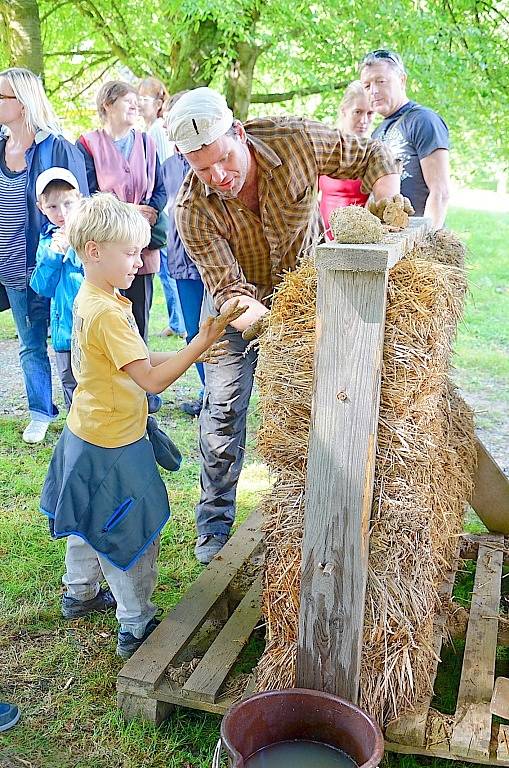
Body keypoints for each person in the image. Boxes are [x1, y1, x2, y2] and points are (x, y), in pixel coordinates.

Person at [166, 87, 400, 563]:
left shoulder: (292, 139)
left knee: (330, 402)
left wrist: (388, 199)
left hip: (312, 289)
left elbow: (371, 154)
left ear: (238, 133)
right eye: (202, 168)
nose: (219, 176)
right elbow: (230, 291)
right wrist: (278, 333)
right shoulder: (191, 210)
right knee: (224, 411)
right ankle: (213, 527)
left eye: (224, 160)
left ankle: (323, 511)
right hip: (240, 311)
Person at [39, 193, 245, 659]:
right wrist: (200, 344)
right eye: (131, 252)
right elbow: (151, 379)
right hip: (115, 446)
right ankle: (135, 622)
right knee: (133, 534)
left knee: (83, 517)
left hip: (86, 434)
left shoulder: (97, 297)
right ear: (94, 250)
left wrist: (191, 349)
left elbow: (136, 362)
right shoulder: (108, 313)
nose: (140, 260)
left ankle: (80, 591)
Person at [0, 67, 88, 444]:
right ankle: (39, 411)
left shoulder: (57, 146)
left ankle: (85, 408)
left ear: (21, 103)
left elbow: (83, 206)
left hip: (58, 263)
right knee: (30, 342)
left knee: (73, 340)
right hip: (11, 264)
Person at [76, 80, 166, 343]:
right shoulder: (87, 144)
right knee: (106, 320)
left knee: (139, 322)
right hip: (106, 249)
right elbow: (88, 194)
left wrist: (151, 211)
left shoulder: (148, 143)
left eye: (137, 103)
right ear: (108, 104)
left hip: (141, 249)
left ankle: (144, 382)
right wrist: (127, 212)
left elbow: (161, 188)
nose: (135, 107)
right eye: (128, 102)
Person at [359, 49, 450, 228]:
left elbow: (440, 192)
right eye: (367, 86)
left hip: (416, 240)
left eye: (381, 81)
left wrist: (426, 242)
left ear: (402, 80)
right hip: (389, 240)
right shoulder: (377, 133)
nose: (374, 91)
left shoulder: (423, 120)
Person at [161, 92, 206, 417]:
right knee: (193, 332)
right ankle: (207, 391)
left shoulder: (209, 157)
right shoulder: (167, 167)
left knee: (222, 328)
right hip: (181, 260)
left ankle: (226, 391)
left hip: (214, 259)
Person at [30, 168, 83, 409]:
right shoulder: (46, 243)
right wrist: (54, 253)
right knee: (70, 383)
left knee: (98, 382)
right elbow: (42, 286)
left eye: (68, 203)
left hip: (94, 328)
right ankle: (77, 436)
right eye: (52, 207)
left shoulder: (93, 235)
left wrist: (74, 248)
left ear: (79, 199)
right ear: (41, 207)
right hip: (64, 333)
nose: (61, 213)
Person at [138, 76, 186, 340]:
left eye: (145, 99)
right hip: (168, 212)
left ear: (158, 102)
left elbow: (165, 174)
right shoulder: (151, 129)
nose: (140, 104)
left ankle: (178, 321)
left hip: (167, 213)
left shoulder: (156, 130)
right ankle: (177, 320)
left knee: (169, 273)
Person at [319, 80, 375, 238]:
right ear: (344, 110)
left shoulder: (375, 155)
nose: (364, 120)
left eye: (370, 113)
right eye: (358, 112)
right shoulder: (325, 148)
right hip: (322, 239)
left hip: (358, 241)